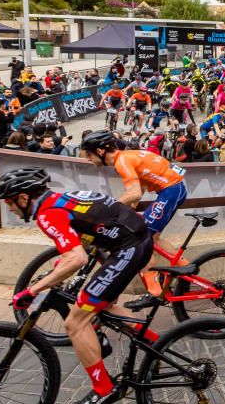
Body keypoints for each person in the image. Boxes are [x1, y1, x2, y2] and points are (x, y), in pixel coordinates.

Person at [0, 168, 154, 404]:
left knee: (75, 322)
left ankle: (103, 388)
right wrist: (60, 268)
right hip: (132, 240)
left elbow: (77, 258)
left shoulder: (47, 215)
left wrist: (33, 289)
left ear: (24, 198)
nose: (10, 209)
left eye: (9, 202)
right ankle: (157, 344)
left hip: (128, 247)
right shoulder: (57, 199)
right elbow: (82, 235)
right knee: (99, 304)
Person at [80, 130, 188, 308]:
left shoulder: (121, 161)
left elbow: (134, 192)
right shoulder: (126, 156)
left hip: (170, 191)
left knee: (142, 238)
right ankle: (185, 269)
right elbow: (142, 184)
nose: (88, 159)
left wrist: (109, 208)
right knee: (154, 238)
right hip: (172, 189)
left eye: (89, 155)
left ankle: (155, 292)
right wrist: (129, 208)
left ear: (100, 151)